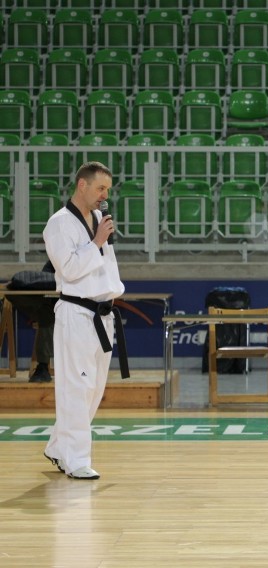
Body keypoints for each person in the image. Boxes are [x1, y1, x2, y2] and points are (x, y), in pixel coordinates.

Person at [42, 161, 124, 480]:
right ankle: (76, 459)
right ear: (82, 185)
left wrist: (114, 292)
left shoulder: (96, 219)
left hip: (102, 313)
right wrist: (97, 242)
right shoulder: (60, 224)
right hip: (76, 313)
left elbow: (105, 267)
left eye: (107, 189)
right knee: (77, 387)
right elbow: (70, 270)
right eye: (100, 188)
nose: (105, 195)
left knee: (93, 390)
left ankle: (58, 446)